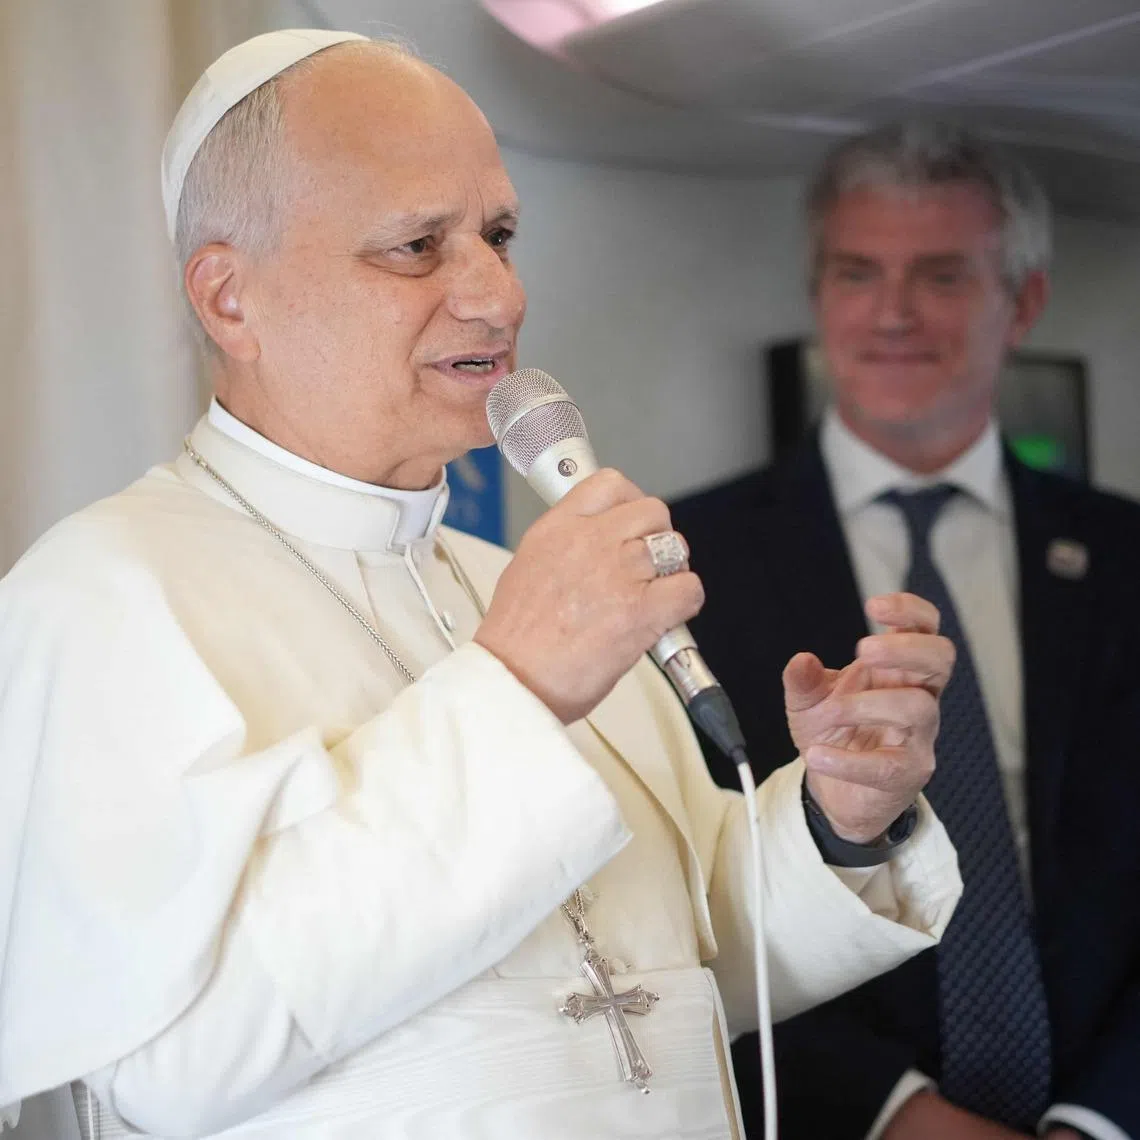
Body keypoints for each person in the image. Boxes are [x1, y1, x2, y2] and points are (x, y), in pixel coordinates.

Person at [0, 35, 963, 1140]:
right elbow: (162, 1067)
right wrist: (516, 686)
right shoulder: (102, 600)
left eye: (499, 236)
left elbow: (680, 977)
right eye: (417, 247)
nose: (497, 295)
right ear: (229, 298)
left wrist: (839, 814)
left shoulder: (520, 585)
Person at [671, 120, 1140, 1140]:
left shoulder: (1125, 555)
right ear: (817, 296)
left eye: (939, 277)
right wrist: (900, 1117)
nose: (891, 314)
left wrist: (1096, 1119)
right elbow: (682, 894)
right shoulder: (683, 559)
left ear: (1024, 303)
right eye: (856, 273)